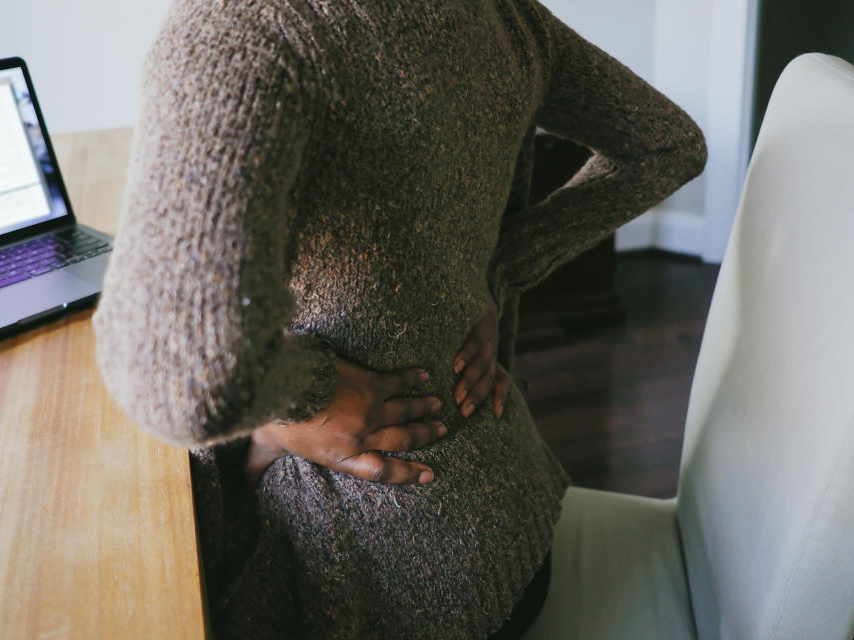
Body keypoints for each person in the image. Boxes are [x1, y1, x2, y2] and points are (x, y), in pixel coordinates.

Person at [92, 0, 708, 637]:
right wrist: (497, 268)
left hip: (368, 587)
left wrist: (303, 404)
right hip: (511, 534)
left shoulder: (239, 33)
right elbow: (666, 143)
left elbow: (175, 380)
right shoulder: (502, 15)